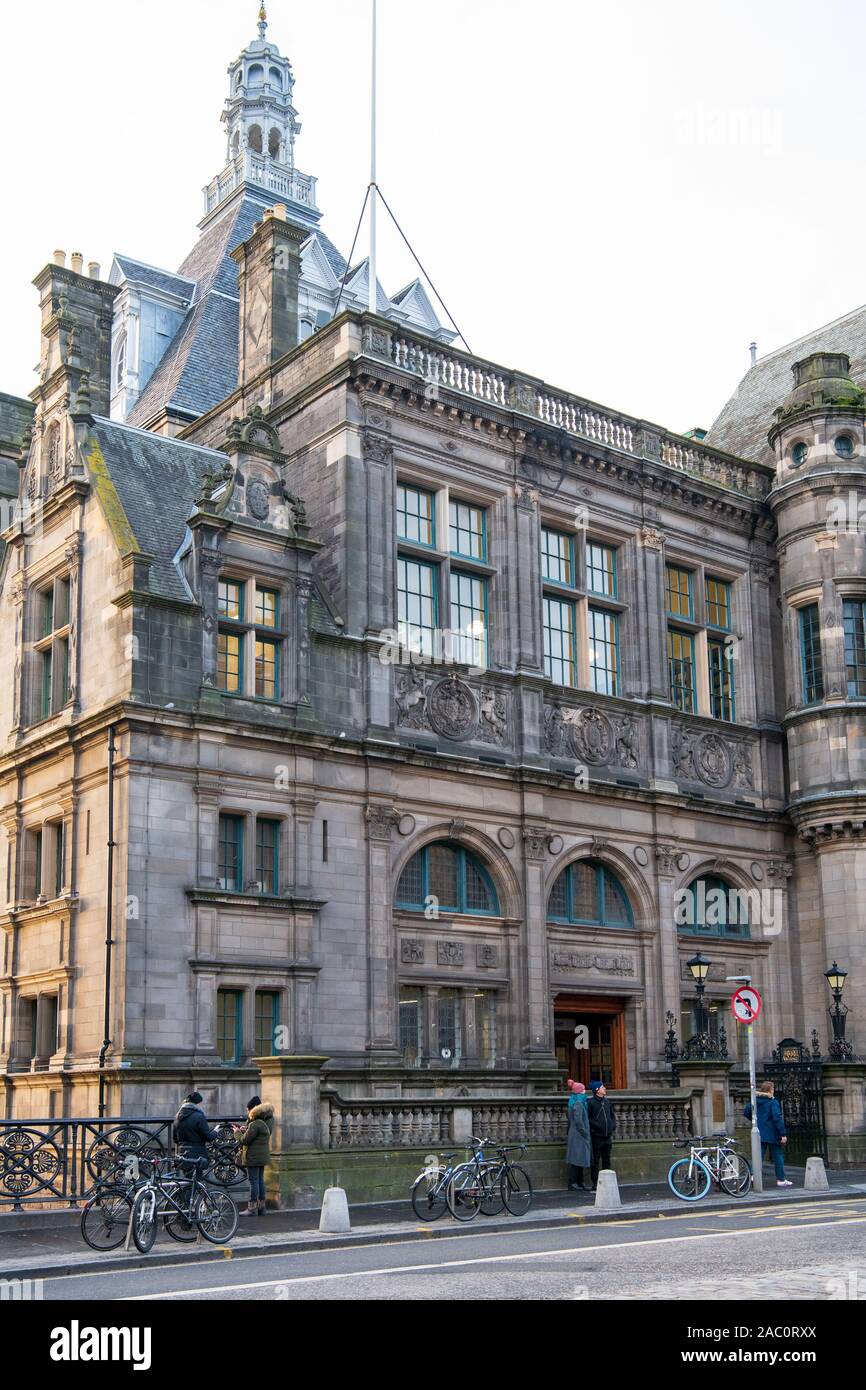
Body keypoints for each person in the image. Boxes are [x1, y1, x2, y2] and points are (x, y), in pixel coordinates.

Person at [233, 1094, 275, 1216]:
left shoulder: (255, 1123)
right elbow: (258, 1135)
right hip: (262, 1154)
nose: (247, 1112)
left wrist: (236, 1133)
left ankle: (252, 1209)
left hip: (253, 1156)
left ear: (253, 1110)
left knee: (253, 1181)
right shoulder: (266, 1120)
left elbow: (244, 1140)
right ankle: (261, 1206)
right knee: (260, 1180)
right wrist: (246, 1129)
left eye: (248, 1110)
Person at [744, 1080, 791, 1186]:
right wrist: (783, 1134)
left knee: (758, 1156)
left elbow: (746, 1112)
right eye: (773, 1088)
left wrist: (755, 1121)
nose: (774, 1090)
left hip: (759, 1131)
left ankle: (753, 1175)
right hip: (773, 1133)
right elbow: (777, 1118)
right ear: (770, 1090)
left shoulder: (755, 1100)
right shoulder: (772, 1102)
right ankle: (781, 1179)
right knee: (778, 1156)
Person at [174, 1091, 218, 1169]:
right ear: (197, 1104)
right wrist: (216, 1131)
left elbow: (175, 1138)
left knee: (187, 1179)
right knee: (197, 1179)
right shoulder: (199, 1116)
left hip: (182, 1153)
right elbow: (209, 1137)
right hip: (197, 1155)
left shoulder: (177, 1116)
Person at [586, 1080, 616, 1189]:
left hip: (607, 1136)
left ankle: (607, 1181)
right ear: (597, 1090)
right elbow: (588, 1118)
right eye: (603, 1087)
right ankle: (595, 1183)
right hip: (597, 1136)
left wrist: (612, 1126)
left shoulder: (607, 1102)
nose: (605, 1089)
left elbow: (612, 1116)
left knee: (606, 1159)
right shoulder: (591, 1103)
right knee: (595, 1160)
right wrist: (597, 1126)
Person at [565, 1082, 592, 1191]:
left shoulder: (574, 1101)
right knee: (577, 1160)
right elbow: (578, 1120)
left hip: (576, 1134)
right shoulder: (579, 1103)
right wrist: (584, 1132)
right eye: (583, 1089)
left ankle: (579, 1182)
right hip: (578, 1135)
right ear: (580, 1091)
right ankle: (574, 1182)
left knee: (579, 1159)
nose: (585, 1091)